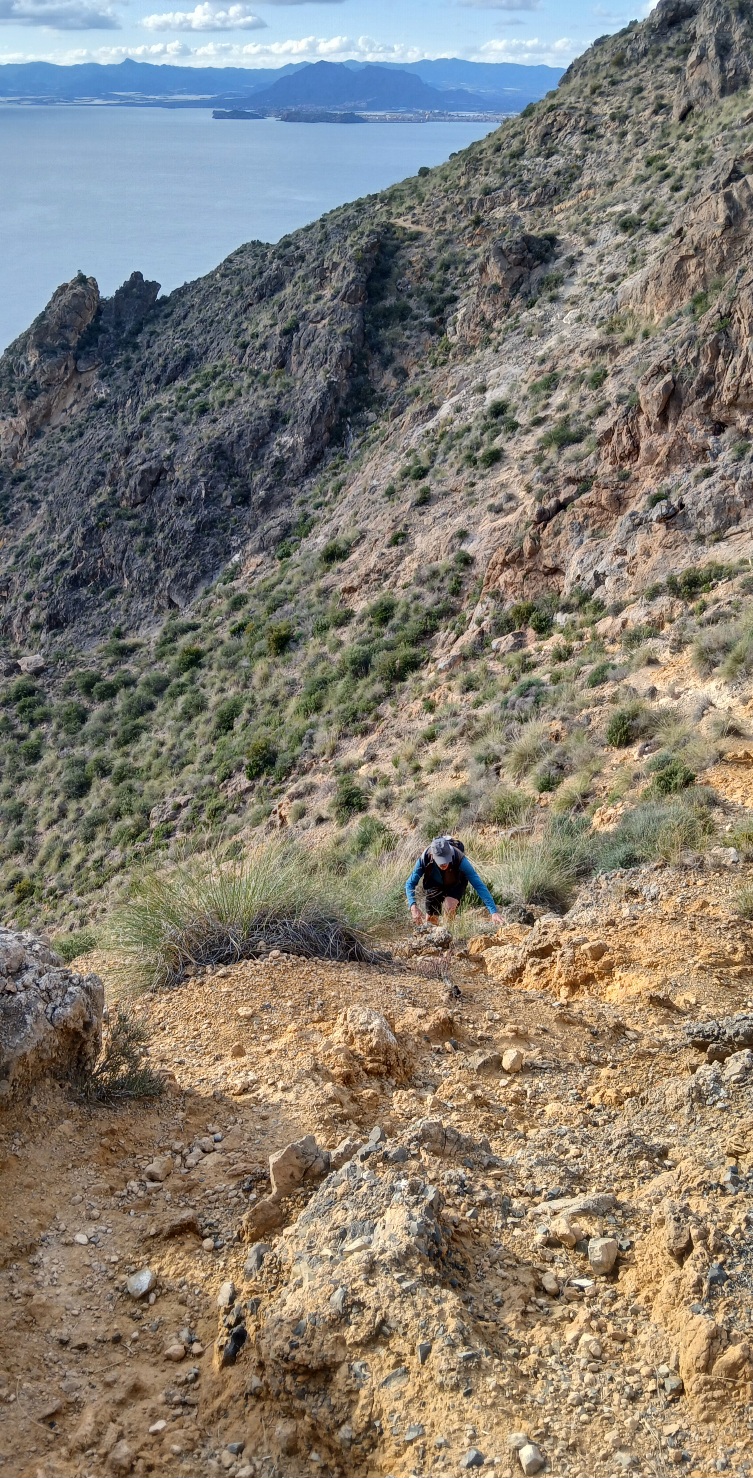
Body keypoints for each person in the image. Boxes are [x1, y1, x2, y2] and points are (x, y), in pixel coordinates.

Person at [406, 835, 504, 927]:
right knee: (431, 920)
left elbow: (478, 885)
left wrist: (493, 912)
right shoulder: (424, 859)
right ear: (432, 856)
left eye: (446, 859)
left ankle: (449, 932)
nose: (444, 863)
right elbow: (410, 884)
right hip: (435, 883)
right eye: (441, 860)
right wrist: (413, 906)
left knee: (449, 906)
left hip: (456, 881)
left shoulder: (459, 858)